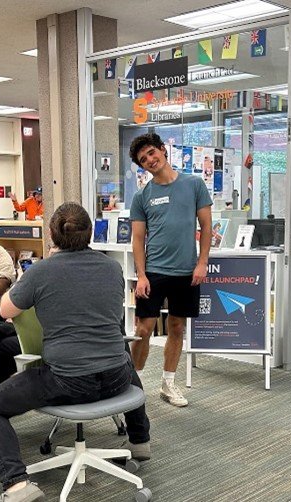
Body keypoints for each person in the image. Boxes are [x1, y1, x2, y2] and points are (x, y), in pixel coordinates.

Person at [0, 203, 151, 502]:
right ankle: (140, 440)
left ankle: (17, 485)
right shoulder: (112, 267)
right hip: (117, 378)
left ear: (52, 236)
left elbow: (5, 310)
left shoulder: (41, 271)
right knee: (119, 349)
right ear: (89, 233)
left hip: (69, 382)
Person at [129, 133, 212, 407]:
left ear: (163, 151)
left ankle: (168, 385)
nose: (150, 160)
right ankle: (132, 385)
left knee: (177, 326)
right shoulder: (143, 196)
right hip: (153, 271)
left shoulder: (194, 184)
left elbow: (207, 228)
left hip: (187, 271)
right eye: (143, 160)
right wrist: (141, 275)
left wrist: (201, 263)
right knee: (144, 328)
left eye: (152, 153)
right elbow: (138, 239)